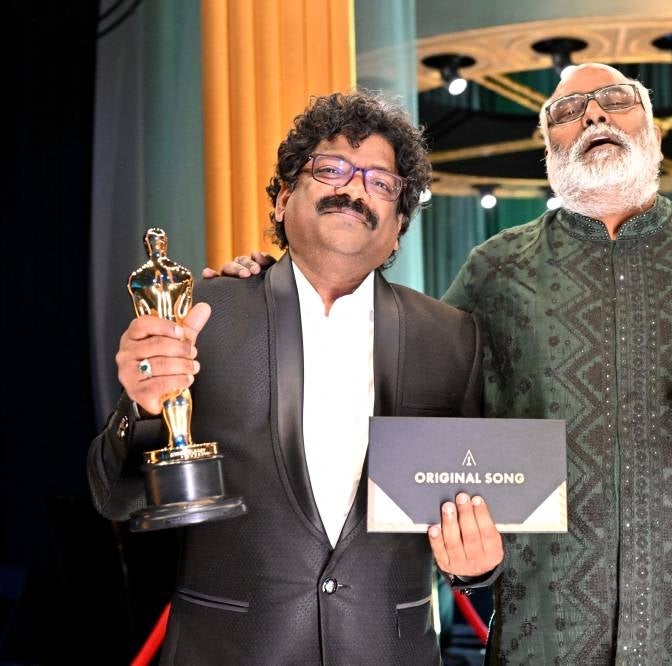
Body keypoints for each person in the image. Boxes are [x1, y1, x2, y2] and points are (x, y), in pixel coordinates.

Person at [219, 64, 672, 664]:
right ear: (549, 148)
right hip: (552, 637)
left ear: (655, 131)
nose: (594, 117)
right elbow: (418, 426)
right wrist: (274, 283)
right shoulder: (497, 271)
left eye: (616, 101)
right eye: (569, 110)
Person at [88, 91, 504, 664]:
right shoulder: (199, 314)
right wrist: (142, 408)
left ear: (397, 229)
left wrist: (478, 565)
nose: (355, 189)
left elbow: (484, 501)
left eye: (381, 183)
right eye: (332, 169)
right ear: (283, 200)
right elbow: (117, 498)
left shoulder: (454, 339)